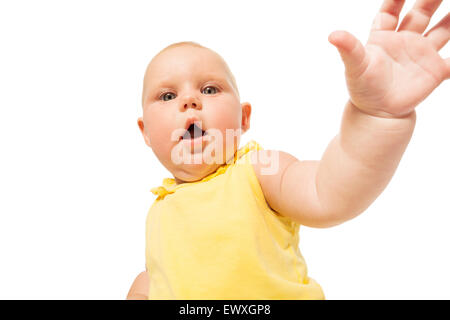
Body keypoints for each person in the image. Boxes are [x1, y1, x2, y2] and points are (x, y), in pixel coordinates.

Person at [127, 0, 450, 299]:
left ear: (242, 118)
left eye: (210, 89)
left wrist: (375, 118)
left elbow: (327, 191)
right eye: (167, 96)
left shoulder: (257, 169)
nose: (189, 101)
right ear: (146, 133)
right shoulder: (160, 209)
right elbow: (159, 275)